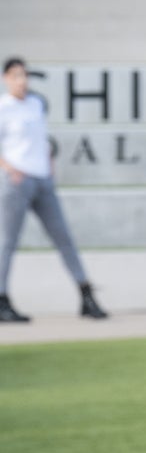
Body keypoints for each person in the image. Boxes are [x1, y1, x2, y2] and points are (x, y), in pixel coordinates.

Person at [0, 57, 107, 322]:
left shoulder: (36, 104)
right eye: (15, 75)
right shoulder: (4, 108)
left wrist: (48, 164)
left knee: (64, 238)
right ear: (6, 78)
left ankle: (85, 294)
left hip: (42, 180)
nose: (21, 80)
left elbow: (41, 138)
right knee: (7, 242)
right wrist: (10, 170)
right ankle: (2, 299)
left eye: (24, 75)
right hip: (17, 181)